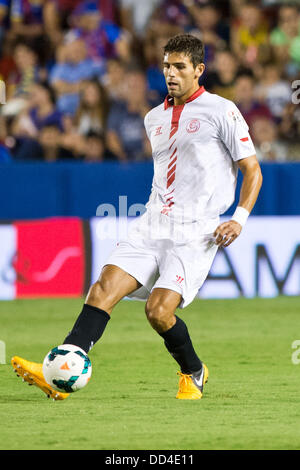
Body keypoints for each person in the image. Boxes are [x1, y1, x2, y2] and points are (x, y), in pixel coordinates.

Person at [12, 34, 262, 401]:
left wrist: (238, 218)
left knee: (158, 311)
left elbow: (252, 170)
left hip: (195, 231)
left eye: (180, 67)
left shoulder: (222, 111)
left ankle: (193, 372)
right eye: (166, 66)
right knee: (102, 288)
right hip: (151, 222)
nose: (171, 73)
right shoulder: (153, 118)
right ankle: (60, 370)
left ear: (199, 70)